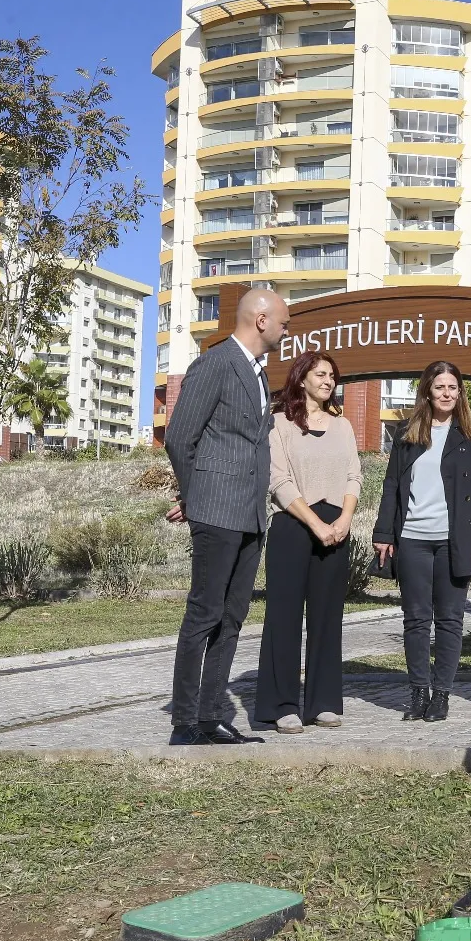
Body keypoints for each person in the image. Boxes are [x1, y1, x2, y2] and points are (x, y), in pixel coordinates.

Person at [163, 288, 287, 746]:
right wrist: (196, 499)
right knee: (204, 614)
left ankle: (211, 713)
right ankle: (184, 720)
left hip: (252, 516)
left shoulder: (258, 374)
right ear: (260, 319)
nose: (285, 329)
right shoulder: (216, 364)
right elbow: (179, 438)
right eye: (283, 323)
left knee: (233, 617)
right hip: (216, 511)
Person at [372, 361, 471, 722]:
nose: (446, 393)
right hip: (412, 540)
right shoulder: (408, 432)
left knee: (451, 620)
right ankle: (417, 694)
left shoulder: (470, 434)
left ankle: (441, 696)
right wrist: (383, 534)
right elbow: (392, 484)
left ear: (459, 393)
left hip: (455, 540)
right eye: (439, 387)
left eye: (452, 388)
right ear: (427, 390)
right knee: (416, 620)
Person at [256, 351, 362, 734]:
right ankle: (281, 705)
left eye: (332, 376)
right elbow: (278, 481)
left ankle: (324, 702)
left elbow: (354, 477)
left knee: (327, 618)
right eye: (321, 374)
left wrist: (345, 519)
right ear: (301, 379)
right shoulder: (279, 424)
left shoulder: (343, 426)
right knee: (283, 619)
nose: (328, 381)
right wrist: (316, 523)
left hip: (337, 529)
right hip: (294, 526)